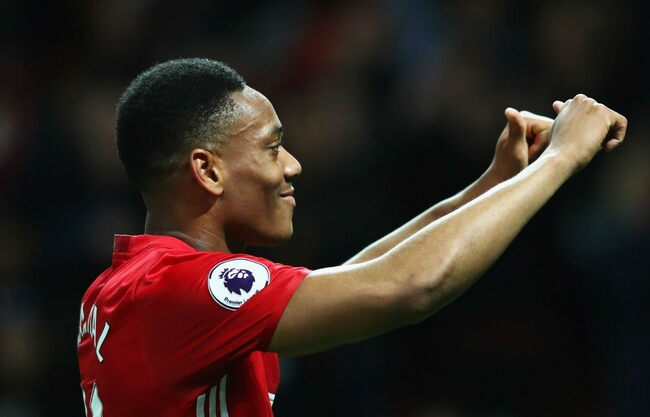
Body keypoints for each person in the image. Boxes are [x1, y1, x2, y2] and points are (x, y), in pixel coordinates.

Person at [77, 58, 627, 416]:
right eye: (272, 147)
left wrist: (493, 184)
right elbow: (409, 286)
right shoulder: (177, 288)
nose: (292, 166)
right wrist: (561, 159)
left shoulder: (136, 286)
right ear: (208, 170)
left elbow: (350, 279)